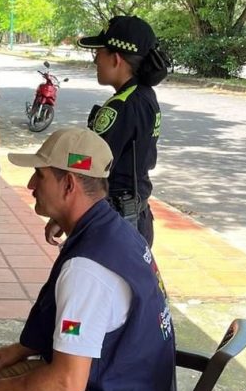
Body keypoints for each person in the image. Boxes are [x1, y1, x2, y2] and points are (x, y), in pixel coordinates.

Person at [0, 127, 176, 391]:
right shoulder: (116, 232)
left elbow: (67, 383)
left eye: (39, 176)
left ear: (68, 184)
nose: (30, 186)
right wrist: (22, 349)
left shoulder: (87, 270)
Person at [45, 16, 166, 247]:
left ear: (116, 59)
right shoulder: (145, 96)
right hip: (136, 215)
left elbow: (90, 166)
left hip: (115, 220)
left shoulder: (120, 106)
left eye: (98, 53)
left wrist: (61, 212)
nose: (95, 62)